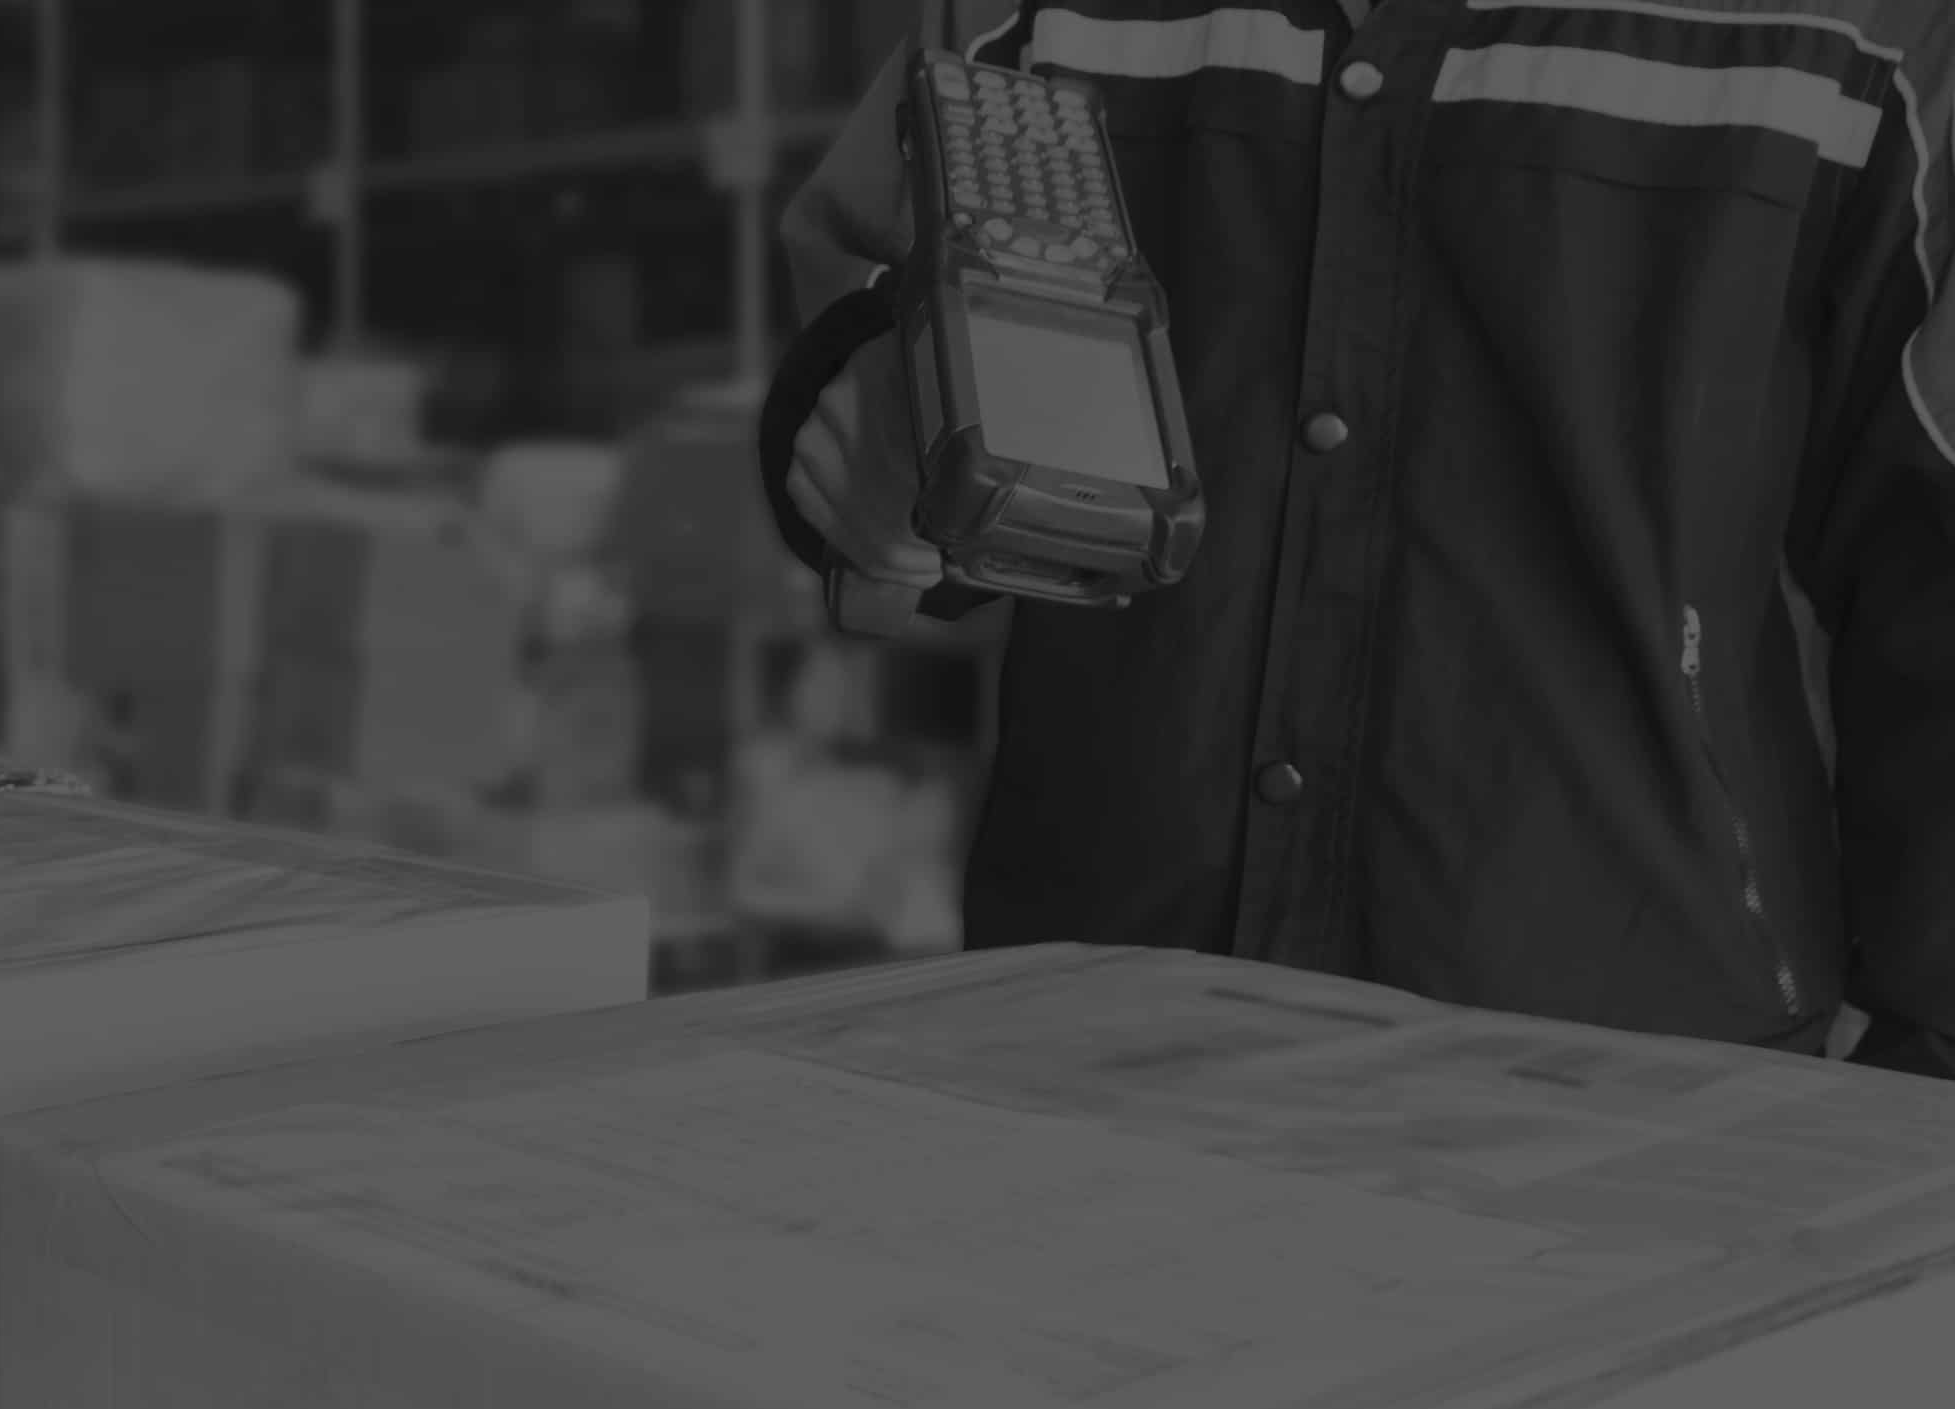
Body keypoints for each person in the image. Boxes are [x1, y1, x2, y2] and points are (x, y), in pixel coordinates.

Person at [757, 0, 1955, 1076]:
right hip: (1094, 1030)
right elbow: (864, 295)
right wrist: (875, 429)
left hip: (1643, 1067)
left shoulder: (1870, 32)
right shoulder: (1027, 12)